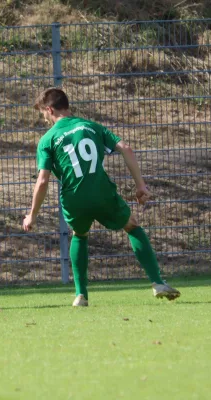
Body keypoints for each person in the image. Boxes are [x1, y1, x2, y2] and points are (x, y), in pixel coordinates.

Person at [23, 88, 180, 307]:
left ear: (49, 109)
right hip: (101, 191)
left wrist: (32, 215)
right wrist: (140, 186)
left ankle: (81, 295)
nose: (44, 118)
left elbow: (42, 181)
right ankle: (157, 283)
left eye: (43, 113)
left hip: (73, 196)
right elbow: (126, 148)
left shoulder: (48, 139)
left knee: (79, 233)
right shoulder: (92, 126)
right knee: (132, 226)